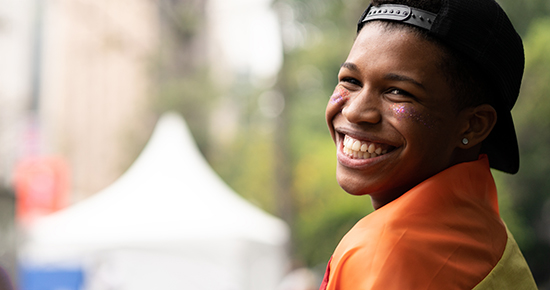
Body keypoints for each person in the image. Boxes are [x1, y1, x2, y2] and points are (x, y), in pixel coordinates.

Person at [320, 0, 538, 289]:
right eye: (350, 80)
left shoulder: (383, 254)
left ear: (474, 125)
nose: (355, 111)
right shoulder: (484, 234)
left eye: (398, 92)